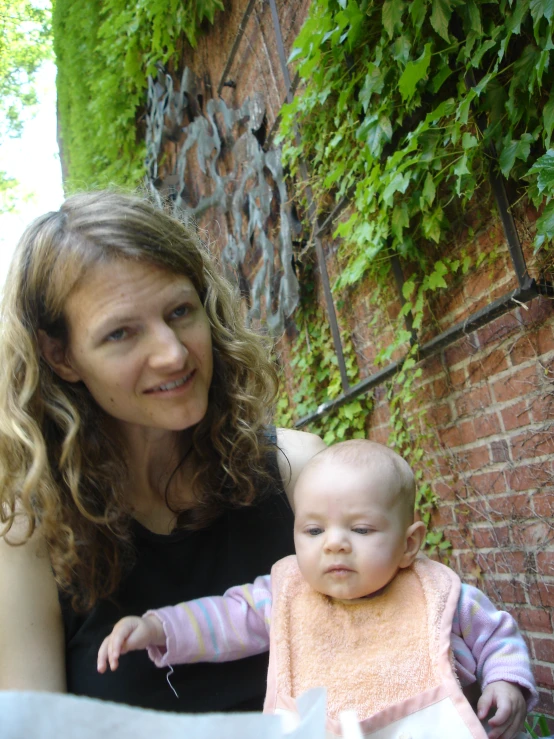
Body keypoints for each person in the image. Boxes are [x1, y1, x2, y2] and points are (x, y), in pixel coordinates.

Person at [0, 190, 325, 712]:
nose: (173, 354)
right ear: (60, 356)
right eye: (121, 333)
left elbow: (414, 639)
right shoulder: (29, 540)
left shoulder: (298, 470)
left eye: (179, 311)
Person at [99, 440, 537, 739]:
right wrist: (157, 627)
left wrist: (505, 681)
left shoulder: (436, 592)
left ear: (409, 544)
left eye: (361, 528)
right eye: (313, 530)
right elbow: (226, 618)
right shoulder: (287, 594)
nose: (334, 542)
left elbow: (496, 635)